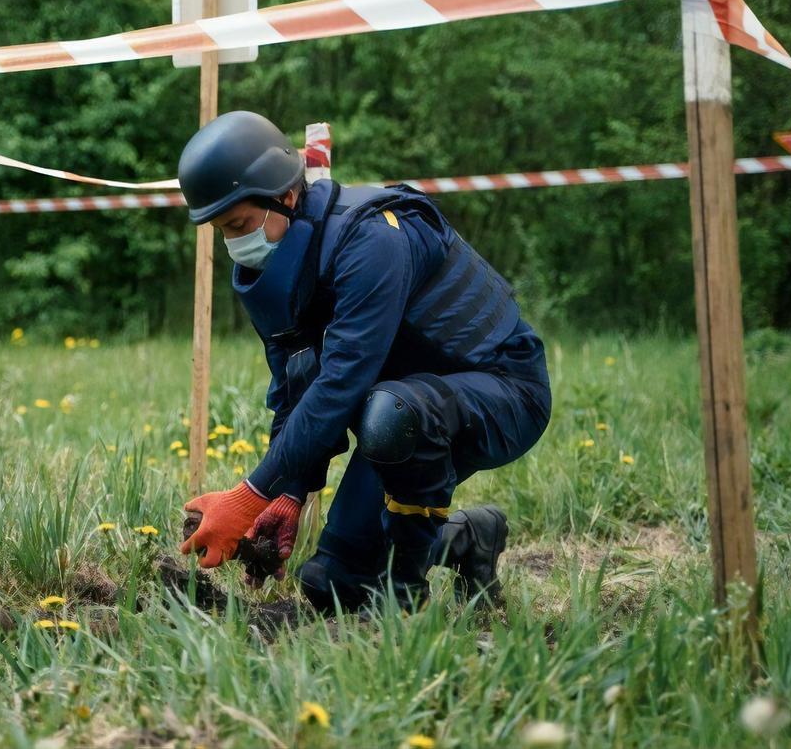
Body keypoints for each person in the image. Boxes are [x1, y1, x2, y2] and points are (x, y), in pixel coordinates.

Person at [176, 111, 551, 610]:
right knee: (333, 583)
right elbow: (295, 390)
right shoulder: (278, 270)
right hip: (407, 408)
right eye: (222, 231)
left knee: (391, 413)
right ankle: (470, 538)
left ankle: (404, 604)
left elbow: (341, 382)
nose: (234, 244)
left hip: (504, 393)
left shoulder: (372, 240)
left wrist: (250, 494)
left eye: (239, 225)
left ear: (284, 197)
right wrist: (289, 493)